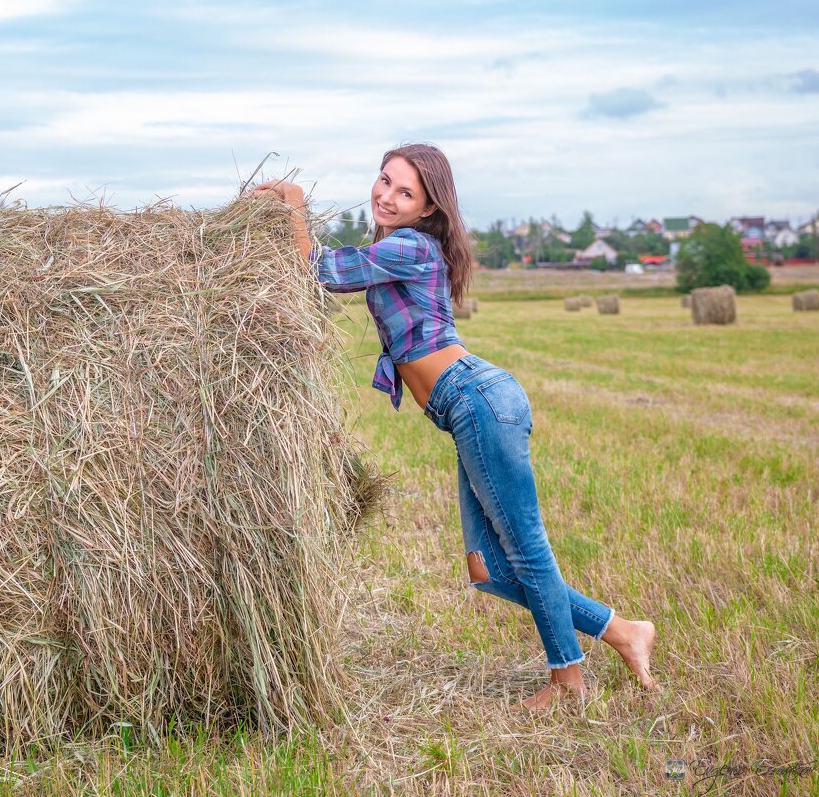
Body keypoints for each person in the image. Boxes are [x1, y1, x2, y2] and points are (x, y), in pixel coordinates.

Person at [253, 143, 656, 710]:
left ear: (426, 209)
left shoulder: (411, 246)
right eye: (385, 181)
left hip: (477, 399)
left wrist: (291, 200)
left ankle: (568, 681)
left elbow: (315, 269)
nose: (387, 196)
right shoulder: (396, 246)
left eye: (405, 192)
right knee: (487, 569)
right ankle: (623, 632)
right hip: (468, 406)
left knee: (527, 551)